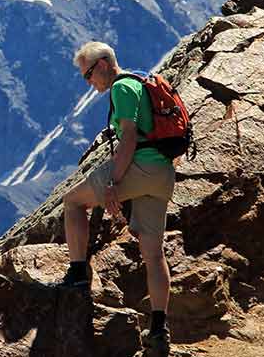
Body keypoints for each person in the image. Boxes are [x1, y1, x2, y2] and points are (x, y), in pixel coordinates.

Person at [60, 41, 176, 356]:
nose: (88, 83)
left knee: (72, 202)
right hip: (163, 174)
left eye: (87, 75)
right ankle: (158, 329)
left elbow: (127, 138)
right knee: (153, 254)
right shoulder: (141, 80)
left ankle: (77, 274)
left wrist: (112, 183)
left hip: (138, 166)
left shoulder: (122, 88)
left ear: (102, 64)